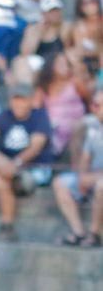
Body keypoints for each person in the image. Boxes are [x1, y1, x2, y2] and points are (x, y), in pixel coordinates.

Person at [0, 83, 52, 241]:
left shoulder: (40, 116)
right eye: (15, 99)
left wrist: (15, 163)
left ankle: (7, 224)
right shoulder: (5, 116)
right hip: (11, 170)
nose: (18, 103)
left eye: (22, 99)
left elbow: (35, 148)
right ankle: (7, 226)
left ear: (30, 101)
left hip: (33, 168)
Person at [52, 89, 103, 247]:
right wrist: (82, 177)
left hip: (98, 179)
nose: (96, 109)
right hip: (91, 177)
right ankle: (79, 232)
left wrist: (90, 178)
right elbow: (85, 157)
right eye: (94, 105)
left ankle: (94, 234)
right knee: (60, 182)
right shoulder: (95, 128)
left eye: (100, 105)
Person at [34, 52, 92, 164]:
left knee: (77, 127)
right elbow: (35, 109)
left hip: (76, 125)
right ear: (51, 66)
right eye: (60, 63)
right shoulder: (44, 87)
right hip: (52, 127)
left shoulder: (75, 82)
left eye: (66, 63)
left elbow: (89, 101)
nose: (64, 66)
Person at [64, 0, 103, 78]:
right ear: (80, 7)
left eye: (92, 1)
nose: (89, 6)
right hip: (84, 60)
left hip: (99, 58)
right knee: (70, 54)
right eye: (85, 3)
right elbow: (77, 48)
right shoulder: (77, 25)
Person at [19, 0, 66, 65]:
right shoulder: (33, 29)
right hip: (40, 63)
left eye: (57, 10)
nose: (56, 14)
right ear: (43, 13)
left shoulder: (65, 27)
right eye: (51, 11)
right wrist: (39, 32)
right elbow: (25, 54)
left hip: (58, 63)